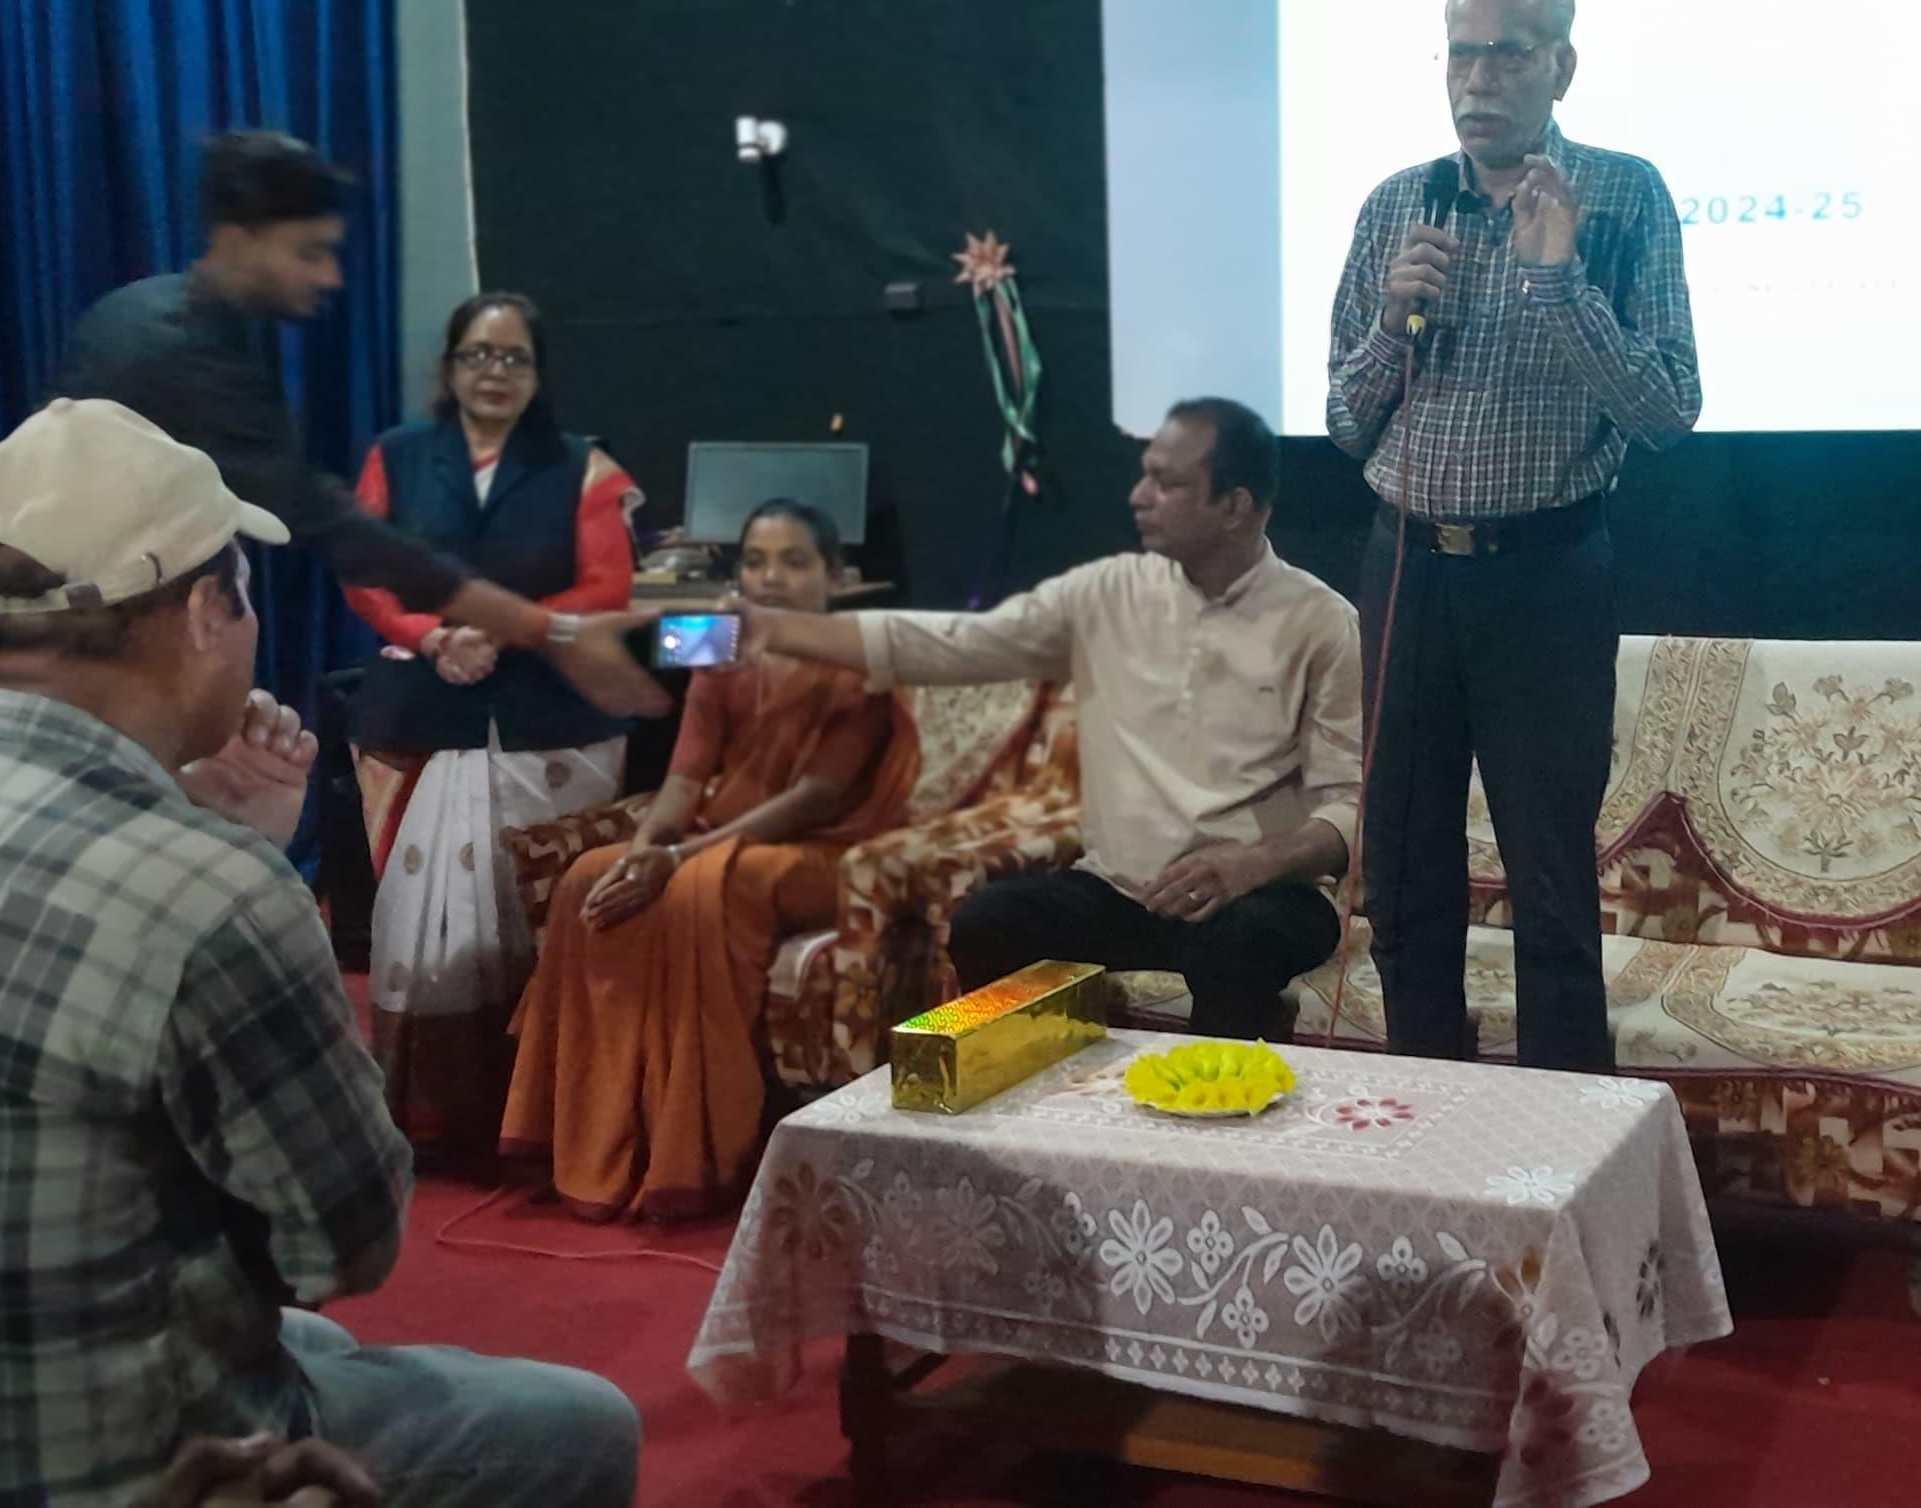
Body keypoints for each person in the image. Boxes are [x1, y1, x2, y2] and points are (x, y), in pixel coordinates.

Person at [0, 400, 637, 1507]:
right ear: (200, 614)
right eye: (242, 593)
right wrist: (250, 871)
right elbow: (349, 1246)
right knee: (585, 1425)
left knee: (318, 1346)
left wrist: (220, 844)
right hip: (123, 1471)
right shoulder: (214, 895)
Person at [1326, 0, 1699, 1072]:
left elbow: (1668, 410)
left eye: (1507, 54)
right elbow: (1344, 421)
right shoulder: (1398, 205)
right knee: (1403, 867)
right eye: (1461, 55)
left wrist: (1556, 283)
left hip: (1544, 572)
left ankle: (1566, 1126)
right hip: (1406, 565)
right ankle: (1423, 1099)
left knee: (1548, 871)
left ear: (1560, 66)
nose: (1478, 79)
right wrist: (1391, 322)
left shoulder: (1623, 197)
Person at [740, 399, 1360, 1040]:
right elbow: (957, 643)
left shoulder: (1320, 622)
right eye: (1144, 475)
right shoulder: (1110, 593)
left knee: (1237, 946)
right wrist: (783, 630)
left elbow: (1351, 805)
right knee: (989, 923)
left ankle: (1221, 1099)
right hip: (1125, 890)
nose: (1139, 496)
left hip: (1262, 895)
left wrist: (1252, 865)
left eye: (1166, 482)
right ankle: (1046, 1098)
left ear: (1234, 506)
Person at [57, 129, 661, 723]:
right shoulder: (179, 351)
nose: (330, 278)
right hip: (96, 654)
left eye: (515, 359)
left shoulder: (160, 315)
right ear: (238, 239)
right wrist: (541, 630)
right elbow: (334, 529)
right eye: (308, 253)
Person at [501, 500, 919, 1218]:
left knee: (703, 886)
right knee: (585, 878)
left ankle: (695, 1155)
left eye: (794, 563)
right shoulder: (719, 643)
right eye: (756, 562)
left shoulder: (864, 659)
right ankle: (594, 1140)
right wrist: (642, 852)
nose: (772, 578)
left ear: (837, 577)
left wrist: (680, 856)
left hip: (828, 852)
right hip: (722, 838)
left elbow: (816, 798)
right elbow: (685, 777)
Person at [343, 293, 641, 1150]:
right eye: (478, 355)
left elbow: (607, 585)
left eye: (514, 358)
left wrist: (501, 632)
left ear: (538, 374)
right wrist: (433, 637)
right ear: (450, 366)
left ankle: (538, 1118)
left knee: (527, 919)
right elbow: (367, 571)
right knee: (431, 926)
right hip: (423, 709)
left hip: (550, 717)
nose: (495, 372)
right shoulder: (398, 457)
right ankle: (437, 1118)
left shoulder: (583, 466)